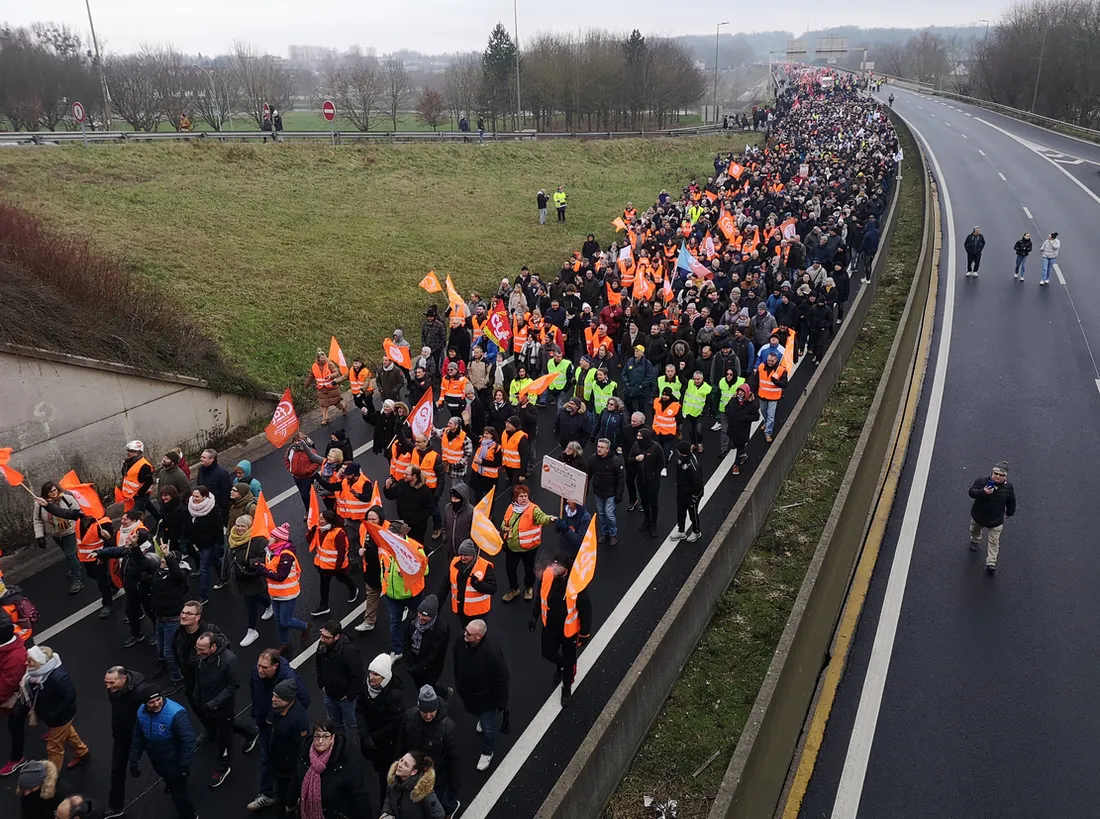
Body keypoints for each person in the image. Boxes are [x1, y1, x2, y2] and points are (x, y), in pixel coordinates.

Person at [192, 631, 258, 788]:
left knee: (224, 737)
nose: (198, 652)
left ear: (213, 647)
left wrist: (215, 702)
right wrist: (197, 696)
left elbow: (233, 685)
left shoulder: (229, 660)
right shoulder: (202, 658)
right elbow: (199, 678)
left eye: (202, 649)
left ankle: (223, 767)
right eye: (197, 648)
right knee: (226, 724)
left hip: (222, 705)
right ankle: (251, 732)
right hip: (208, 702)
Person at [529, 551, 592, 707]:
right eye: (554, 564)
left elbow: (585, 609)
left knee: (570, 659)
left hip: (568, 630)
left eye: (559, 565)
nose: (555, 567)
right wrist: (534, 617)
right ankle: (562, 664)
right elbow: (540, 597)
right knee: (547, 652)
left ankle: (567, 686)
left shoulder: (575, 584)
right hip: (549, 626)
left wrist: (585, 633)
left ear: (566, 568)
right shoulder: (547, 576)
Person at [451, 618, 509, 772]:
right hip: (469, 694)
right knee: (477, 715)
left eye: (469, 634)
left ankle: (487, 751)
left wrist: (501, 703)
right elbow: (456, 658)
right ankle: (481, 720)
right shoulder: (462, 641)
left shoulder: (492, 654)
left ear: (478, 637)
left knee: (489, 728)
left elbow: (502, 679)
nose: (464, 635)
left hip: (486, 700)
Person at [247, 671, 310, 812]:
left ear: (289, 700)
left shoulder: (298, 720)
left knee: (286, 794)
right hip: (275, 760)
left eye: (278, 698)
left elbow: (301, 748)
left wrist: (290, 765)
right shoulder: (276, 709)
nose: (273, 699)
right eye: (274, 695)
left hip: (288, 768)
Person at [20, 646, 89, 772]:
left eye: (30, 661)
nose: (26, 663)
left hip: (60, 717)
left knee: (54, 748)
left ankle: (51, 776)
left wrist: (53, 713)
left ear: (40, 663)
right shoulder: (37, 674)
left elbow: (70, 696)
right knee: (68, 732)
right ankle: (81, 751)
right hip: (54, 717)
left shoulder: (57, 677)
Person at [289, 718, 374, 819]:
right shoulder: (305, 754)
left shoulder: (345, 759)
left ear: (333, 738)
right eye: (317, 736)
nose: (320, 741)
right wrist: (289, 803)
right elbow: (296, 779)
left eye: (325, 736)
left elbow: (358, 795)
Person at [130, 690, 196, 819]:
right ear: (144, 704)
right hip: (158, 759)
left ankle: (190, 815)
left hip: (174, 762)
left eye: (158, 699)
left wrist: (184, 766)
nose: (156, 704)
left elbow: (188, 740)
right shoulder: (141, 712)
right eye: (151, 702)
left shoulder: (175, 713)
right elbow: (138, 737)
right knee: (171, 782)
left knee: (179, 795)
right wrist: (134, 760)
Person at [397, 687, 461, 817]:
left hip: (437, 777)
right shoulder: (409, 717)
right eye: (424, 711)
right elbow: (401, 743)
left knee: (438, 800)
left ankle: (450, 806)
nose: (428, 716)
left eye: (431, 711)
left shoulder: (447, 728)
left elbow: (454, 761)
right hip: (415, 773)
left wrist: (454, 787)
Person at [103, 666, 152, 819]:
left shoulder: (141, 691)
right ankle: (116, 806)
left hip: (142, 735)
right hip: (122, 735)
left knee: (162, 763)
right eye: (106, 683)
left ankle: (177, 779)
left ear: (123, 679)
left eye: (111, 683)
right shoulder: (113, 689)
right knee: (117, 770)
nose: (108, 686)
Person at [254, 524, 311, 655]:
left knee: (285, 620)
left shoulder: (286, 555)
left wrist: (263, 570)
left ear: (278, 540)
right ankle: (285, 643)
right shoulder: (272, 551)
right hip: (275, 593)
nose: (269, 538)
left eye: (272, 537)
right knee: (279, 620)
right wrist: (263, 567)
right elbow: (272, 568)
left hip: (287, 594)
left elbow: (280, 576)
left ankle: (305, 626)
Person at [356, 653, 405, 798]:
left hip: (387, 744)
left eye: (376, 674)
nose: (371, 677)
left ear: (384, 677)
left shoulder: (395, 695)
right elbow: (359, 710)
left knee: (386, 776)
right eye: (370, 672)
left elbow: (394, 723)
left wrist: (373, 737)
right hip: (371, 739)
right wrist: (365, 735)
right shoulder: (365, 687)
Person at [500, 484, 557, 603]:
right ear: (515, 498)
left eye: (525, 496)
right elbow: (505, 522)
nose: (524, 498)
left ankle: (529, 587)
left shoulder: (533, 509)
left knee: (529, 569)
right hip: (512, 547)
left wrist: (549, 519)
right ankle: (514, 588)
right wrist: (504, 527)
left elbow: (541, 517)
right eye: (521, 496)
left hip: (529, 548)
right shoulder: (511, 508)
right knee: (510, 569)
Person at [171, 600, 223, 714]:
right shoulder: (178, 632)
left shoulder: (210, 631)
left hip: (209, 679)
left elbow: (224, 652)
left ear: (197, 617)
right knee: (197, 707)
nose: (183, 616)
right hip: (190, 678)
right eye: (183, 612)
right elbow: (175, 651)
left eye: (189, 613)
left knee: (218, 712)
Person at [31, 482, 84, 594]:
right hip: (55, 534)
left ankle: (77, 579)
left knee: (69, 554)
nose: (54, 493)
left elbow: (78, 512)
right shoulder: (40, 504)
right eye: (51, 491)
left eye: (55, 490)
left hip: (69, 531)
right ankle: (76, 566)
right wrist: (40, 536)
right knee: (69, 553)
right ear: (46, 493)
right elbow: (37, 520)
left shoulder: (66, 498)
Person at [147, 551, 189, 689]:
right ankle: (164, 664)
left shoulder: (177, 576)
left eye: (166, 560)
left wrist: (169, 556)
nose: (162, 561)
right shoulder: (158, 572)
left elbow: (177, 574)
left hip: (172, 619)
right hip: (160, 617)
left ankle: (178, 677)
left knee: (169, 651)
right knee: (160, 646)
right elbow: (143, 563)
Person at [968, 461, 1017, 574]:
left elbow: (1011, 501)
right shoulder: (981, 481)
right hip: (979, 516)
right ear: (992, 472)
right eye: (996, 474)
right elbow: (971, 492)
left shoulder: (1009, 488)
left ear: (1005, 477)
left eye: (1001, 475)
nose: (998, 477)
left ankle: (991, 562)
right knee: (975, 530)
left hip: (996, 520)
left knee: (994, 541)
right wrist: (983, 492)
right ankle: (975, 540)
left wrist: (1010, 512)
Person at [309, 510, 358, 617]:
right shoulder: (318, 529)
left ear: (328, 520)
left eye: (321, 518)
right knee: (324, 585)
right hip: (323, 566)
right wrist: (311, 531)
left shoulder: (338, 533)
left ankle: (353, 589)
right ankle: (324, 605)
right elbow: (310, 541)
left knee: (342, 578)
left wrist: (338, 568)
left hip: (335, 567)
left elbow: (342, 552)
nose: (319, 520)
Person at [316, 619, 364, 731]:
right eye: (322, 635)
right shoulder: (322, 644)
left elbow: (358, 675)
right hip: (329, 694)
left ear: (337, 637)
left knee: (353, 725)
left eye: (327, 637)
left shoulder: (349, 651)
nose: (322, 639)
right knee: (335, 724)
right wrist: (321, 684)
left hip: (346, 699)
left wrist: (350, 695)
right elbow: (318, 664)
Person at [402, 594, 451, 698]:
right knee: (420, 684)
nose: (421, 617)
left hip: (430, 667)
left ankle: (443, 694)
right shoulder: (412, 620)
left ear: (433, 616)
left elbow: (435, 654)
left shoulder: (441, 629)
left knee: (429, 685)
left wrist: (418, 667)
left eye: (425, 615)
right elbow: (405, 640)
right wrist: (410, 662)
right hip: (414, 661)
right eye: (420, 613)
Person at [0, 610, 29, 778]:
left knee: (15, 725)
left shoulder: (13, 658)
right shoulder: (10, 649)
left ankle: (17, 758)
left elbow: (6, 686)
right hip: (23, 691)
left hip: (20, 696)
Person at [186, 486, 224, 603]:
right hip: (198, 542)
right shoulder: (190, 507)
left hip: (208, 543)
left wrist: (220, 545)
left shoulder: (213, 511)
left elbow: (218, 528)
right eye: (193, 496)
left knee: (204, 568)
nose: (194, 499)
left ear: (205, 497)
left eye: (197, 496)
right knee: (214, 561)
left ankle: (203, 596)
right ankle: (224, 577)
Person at [381, 752, 446, 819]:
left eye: (406, 765)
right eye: (401, 760)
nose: (400, 765)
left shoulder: (422, 792)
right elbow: (388, 803)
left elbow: (438, 815)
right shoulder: (393, 783)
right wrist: (387, 814)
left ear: (413, 772)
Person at [385, 467, 437, 548]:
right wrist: (387, 488)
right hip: (404, 522)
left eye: (407, 474)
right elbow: (391, 495)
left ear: (414, 476)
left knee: (417, 545)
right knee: (406, 543)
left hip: (418, 526)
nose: (404, 475)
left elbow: (430, 509)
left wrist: (416, 517)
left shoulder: (424, 491)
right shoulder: (402, 483)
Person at [586, 438, 624, 547]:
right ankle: (604, 533)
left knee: (609, 514)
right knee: (601, 514)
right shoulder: (592, 459)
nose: (599, 449)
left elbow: (621, 479)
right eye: (598, 446)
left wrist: (619, 495)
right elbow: (588, 475)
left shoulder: (615, 461)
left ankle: (613, 534)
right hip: (598, 491)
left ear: (608, 449)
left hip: (610, 492)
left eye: (602, 447)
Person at [633, 428, 665, 538]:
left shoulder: (656, 447)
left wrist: (655, 475)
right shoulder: (636, 446)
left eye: (640, 436)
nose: (638, 438)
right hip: (640, 480)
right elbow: (630, 459)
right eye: (637, 436)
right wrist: (636, 459)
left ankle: (654, 524)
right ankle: (647, 520)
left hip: (653, 481)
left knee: (653, 503)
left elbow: (661, 462)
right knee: (644, 501)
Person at [671, 441, 704, 543]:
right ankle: (681, 531)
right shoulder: (681, 459)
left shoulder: (692, 464)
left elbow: (698, 482)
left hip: (691, 494)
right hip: (681, 491)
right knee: (680, 511)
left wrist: (695, 496)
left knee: (693, 513)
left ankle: (696, 531)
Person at [306, 349, 347, 425]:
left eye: (324, 356)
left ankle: (343, 407)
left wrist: (330, 376)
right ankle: (325, 418)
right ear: (318, 359)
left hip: (331, 387)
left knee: (336, 402)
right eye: (322, 357)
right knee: (324, 404)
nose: (324, 358)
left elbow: (336, 372)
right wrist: (306, 385)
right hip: (321, 389)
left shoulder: (330, 364)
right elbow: (311, 376)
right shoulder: (314, 366)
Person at [727, 383, 760, 475]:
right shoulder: (733, 400)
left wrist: (745, 417)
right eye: (739, 391)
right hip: (733, 428)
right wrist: (732, 415)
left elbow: (756, 417)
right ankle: (742, 455)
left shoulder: (751, 404)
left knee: (740, 446)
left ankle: (736, 465)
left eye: (743, 391)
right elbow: (727, 409)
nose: (740, 393)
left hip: (743, 429)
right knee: (736, 444)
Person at [119, 441, 156, 522]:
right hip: (132, 495)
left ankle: (141, 531)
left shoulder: (144, 465)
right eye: (128, 451)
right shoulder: (128, 462)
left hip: (139, 494)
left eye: (132, 451)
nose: (128, 453)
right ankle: (160, 518)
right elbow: (125, 475)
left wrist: (139, 493)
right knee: (149, 506)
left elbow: (149, 482)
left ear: (138, 453)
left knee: (136, 515)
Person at [756, 351, 788, 443]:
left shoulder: (781, 370)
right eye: (769, 360)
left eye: (772, 361)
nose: (770, 362)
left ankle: (768, 433)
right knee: (763, 411)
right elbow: (756, 380)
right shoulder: (761, 367)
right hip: (762, 395)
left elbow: (785, 384)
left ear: (776, 360)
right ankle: (766, 423)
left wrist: (776, 381)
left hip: (773, 397)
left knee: (771, 415)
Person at [196, 449, 233, 526]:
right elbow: (199, 485)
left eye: (204, 457)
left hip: (216, 508)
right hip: (203, 506)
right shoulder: (201, 470)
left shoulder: (222, 473)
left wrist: (222, 509)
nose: (201, 459)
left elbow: (226, 492)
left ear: (211, 459)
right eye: (201, 457)